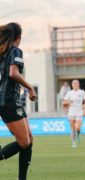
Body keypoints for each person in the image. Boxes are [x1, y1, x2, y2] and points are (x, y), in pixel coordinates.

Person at [0, 22, 36, 180]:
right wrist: (30, 87)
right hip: (8, 101)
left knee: (29, 139)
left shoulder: (2, 52)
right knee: (24, 142)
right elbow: (13, 73)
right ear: (19, 37)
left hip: (10, 100)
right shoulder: (15, 51)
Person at [63, 79, 85, 148]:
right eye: (74, 83)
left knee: (78, 127)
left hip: (79, 111)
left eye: (77, 83)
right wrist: (69, 102)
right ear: (72, 85)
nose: (75, 85)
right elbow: (64, 103)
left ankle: (78, 135)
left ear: (79, 84)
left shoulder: (82, 92)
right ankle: (73, 142)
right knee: (72, 128)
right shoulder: (69, 93)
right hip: (71, 112)